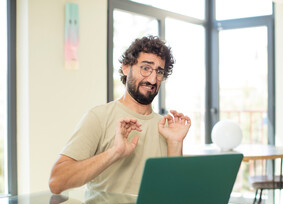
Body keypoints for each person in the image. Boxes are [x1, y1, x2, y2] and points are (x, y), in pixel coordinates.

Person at [49, 36, 191, 195]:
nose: (152, 79)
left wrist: (175, 142)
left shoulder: (166, 128)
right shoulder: (99, 117)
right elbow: (56, 182)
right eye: (145, 68)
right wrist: (115, 152)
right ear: (126, 67)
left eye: (159, 71)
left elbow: (175, 194)